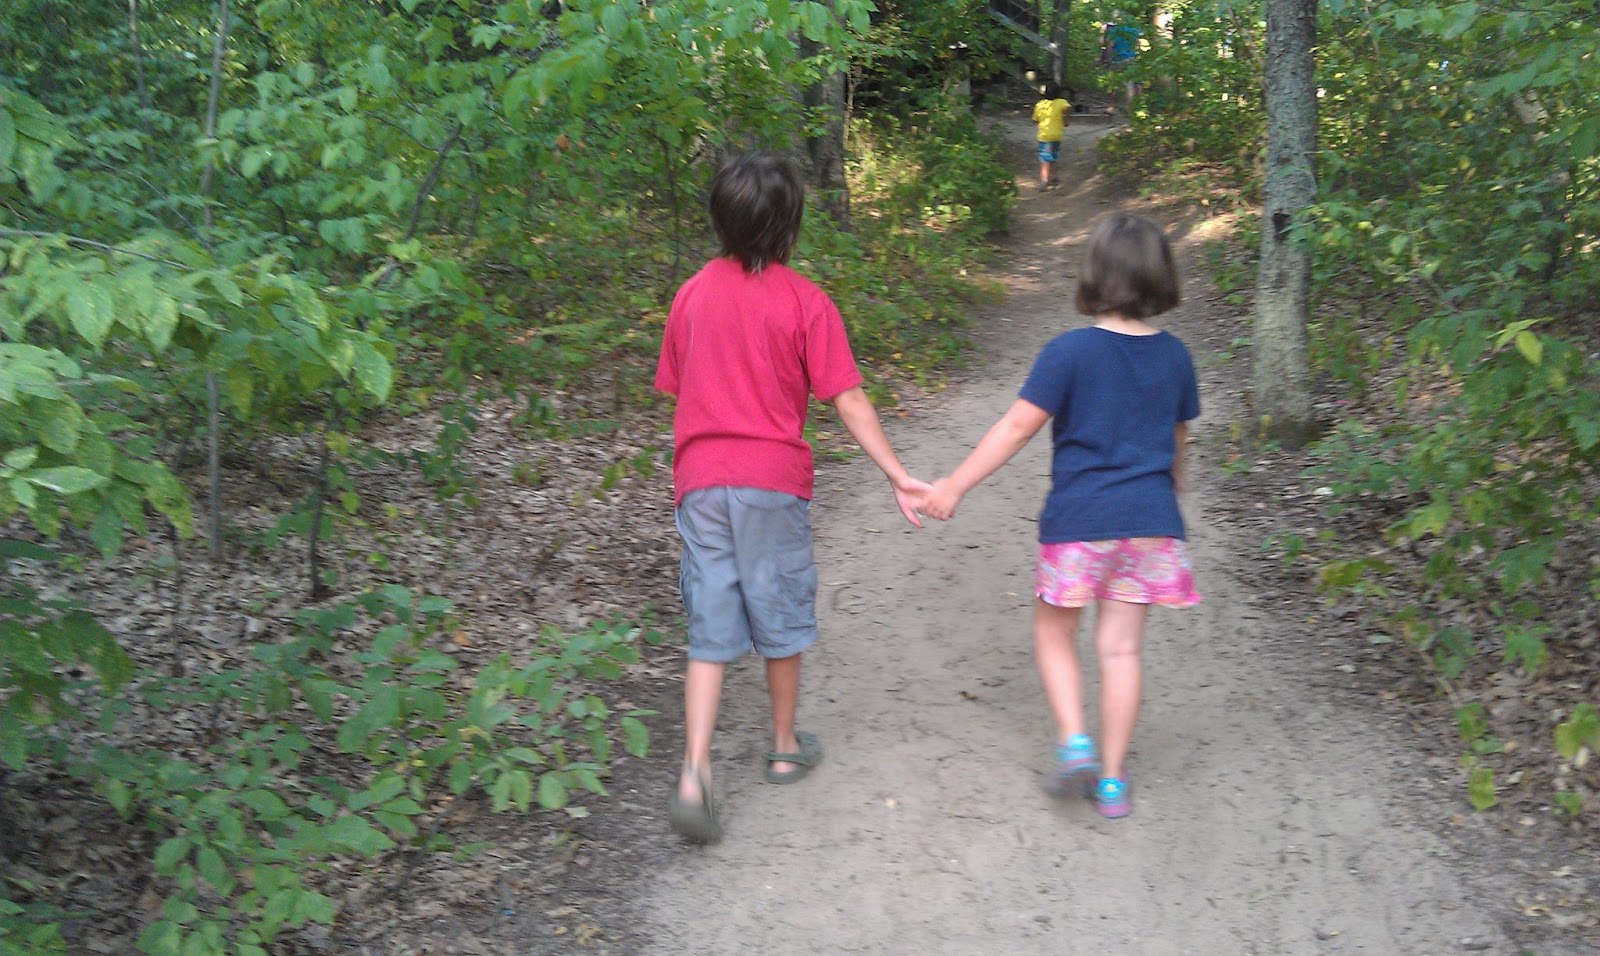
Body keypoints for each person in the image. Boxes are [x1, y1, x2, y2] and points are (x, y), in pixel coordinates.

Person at [655, 152, 930, 843]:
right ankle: (782, 747)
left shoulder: (690, 295)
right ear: (790, 224)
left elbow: (678, 385)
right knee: (777, 606)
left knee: (711, 627)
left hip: (699, 483)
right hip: (770, 483)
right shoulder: (805, 301)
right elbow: (848, 398)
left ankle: (695, 770)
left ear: (719, 218)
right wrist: (897, 473)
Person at [914, 213, 1200, 819]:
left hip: (1079, 522)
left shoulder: (1069, 353)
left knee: (1054, 633)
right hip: (1150, 522)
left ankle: (1075, 742)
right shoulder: (1176, 357)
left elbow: (1017, 427)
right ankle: (1115, 781)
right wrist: (1173, 490)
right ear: (1159, 277)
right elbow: (1178, 441)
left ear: (1093, 273)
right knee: (1121, 652)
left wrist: (954, 484)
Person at [1031, 81, 1071, 191]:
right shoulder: (1062, 102)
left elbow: (1035, 120)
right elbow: (1068, 108)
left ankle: (1044, 181)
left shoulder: (1040, 104)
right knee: (1053, 156)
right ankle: (1054, 177)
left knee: (1045, 159)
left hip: (1044, 136)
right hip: (1057, 135)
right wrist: (1066, 120)